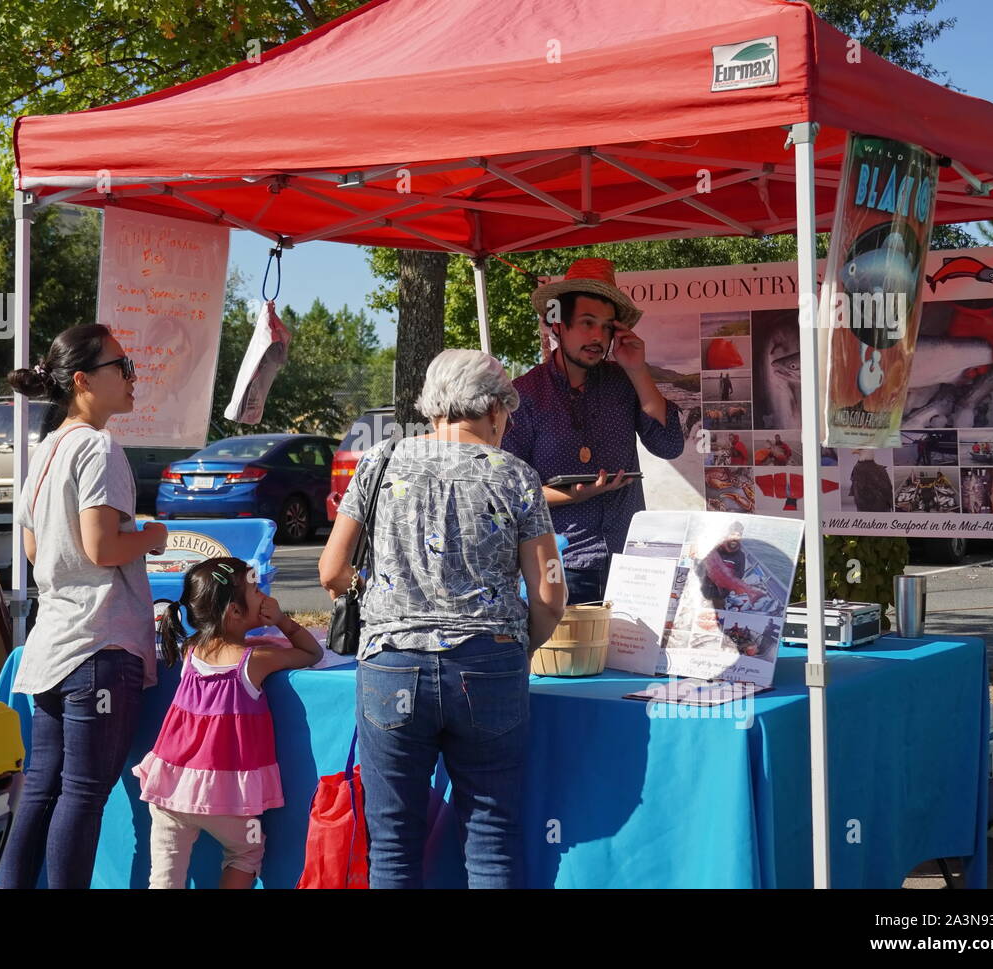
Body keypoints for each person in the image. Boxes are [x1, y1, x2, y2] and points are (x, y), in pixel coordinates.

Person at [318, 350, 566, 889]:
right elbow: (549, 592)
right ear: (496, 409)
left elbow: (332, 571)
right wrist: (517, 648)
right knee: (491, 836)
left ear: (433, 406)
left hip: (391, 664)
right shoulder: (518, 477)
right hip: (490, 661)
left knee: (392, 844)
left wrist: (383, 594)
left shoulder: (377, 462)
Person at [0, 324, 169, 889]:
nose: (131, 377)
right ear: (82, 381)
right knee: (84, 792)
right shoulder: (97, 447)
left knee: (44, 786)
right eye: (122, 366)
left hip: (52, 642)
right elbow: (102, 548)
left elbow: (30, 545)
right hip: (98, 640)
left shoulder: (47, 447)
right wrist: (151, 536)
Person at [503, 257, 685, 604]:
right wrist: (576, 495)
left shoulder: (624, 381)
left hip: (629, 562)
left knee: (629, 660)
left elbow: (669, 445)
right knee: (568, 661)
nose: (597, 337)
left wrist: (638, 370)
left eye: (606, 327)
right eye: (587, 323)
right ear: (557, 325)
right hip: (561, 564)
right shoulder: (524, 395)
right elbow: (508, 494)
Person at [134, 557, 321, 889]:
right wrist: (281, 621)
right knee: (246, 853)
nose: (263, 595)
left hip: (168, 786)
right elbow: (311, 653)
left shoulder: (192, 651)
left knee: (164, 876)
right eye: (255, 590)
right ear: (235, 613)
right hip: (222, 795)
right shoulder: (255, 661)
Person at [696, 522, 766, 611]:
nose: (735, 538)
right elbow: (699, 570)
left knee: (717, 616)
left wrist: (726, 578)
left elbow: (740, 574)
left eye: (738, 535)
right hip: (704, 591)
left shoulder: (741, 555)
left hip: (721, 594)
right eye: (733, 534)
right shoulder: (713, 549)